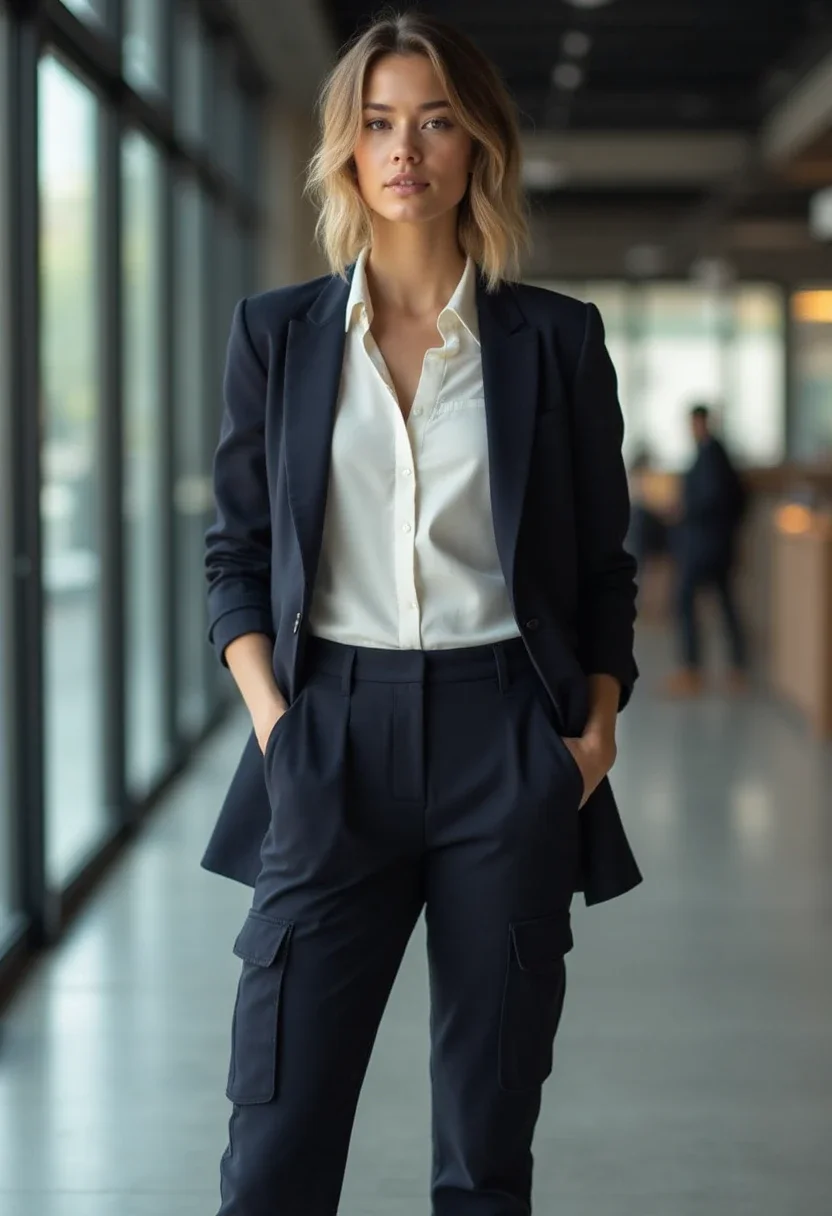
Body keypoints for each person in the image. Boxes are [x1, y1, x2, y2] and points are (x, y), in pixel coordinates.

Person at [202, 12, 640, 1215]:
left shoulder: (555, 340)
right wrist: (279, 728)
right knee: (276, 1133)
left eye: (436, 120)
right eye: (380, 122)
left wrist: (591, 735)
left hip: (507, 737)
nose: (407, 149)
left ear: (477, 145)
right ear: (346, 147)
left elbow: (605, 567)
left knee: (486, 1142)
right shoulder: (277, 335)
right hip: (328, 734)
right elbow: (234, 555)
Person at [662, 403, 748, 697]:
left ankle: (693, 670)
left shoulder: (713, 455)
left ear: (703, 423)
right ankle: (735, 667)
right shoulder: (710, 453)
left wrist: (683, 509)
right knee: (724, 603)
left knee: (687, 600)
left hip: (706, 546)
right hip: (714, 545)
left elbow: (714, 499)